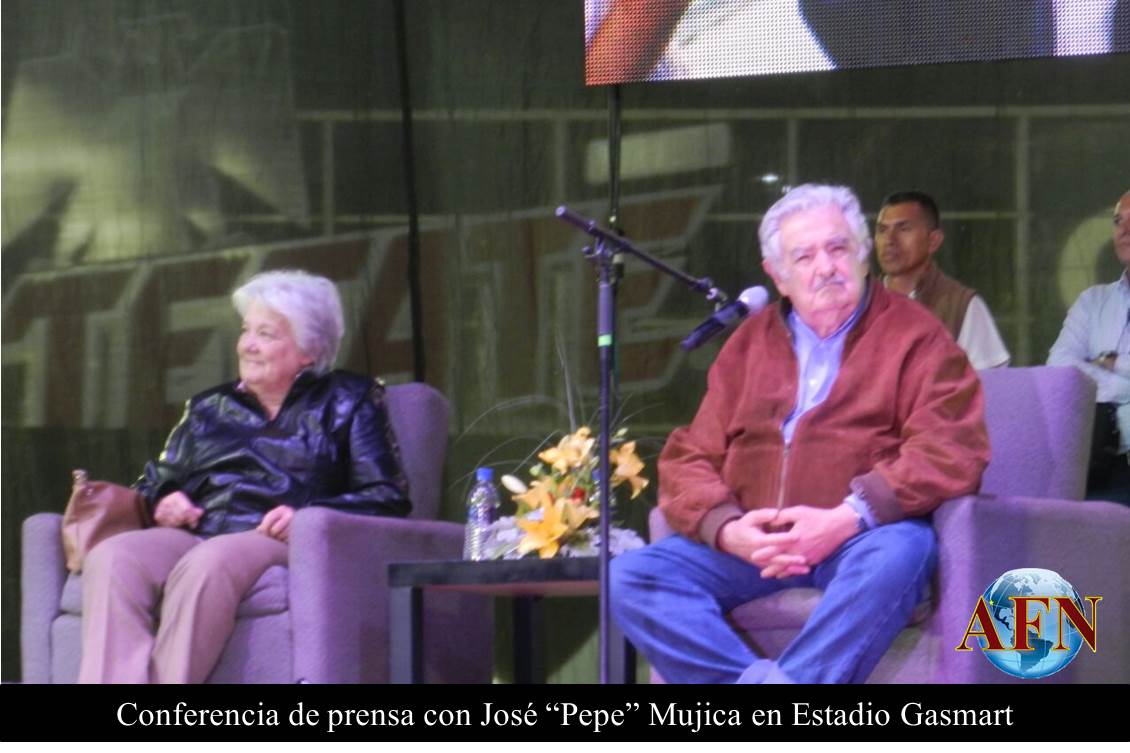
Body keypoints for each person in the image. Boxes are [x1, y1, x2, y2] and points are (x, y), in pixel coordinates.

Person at [610, 184, 989, 683]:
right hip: (755, 545)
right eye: (804, 256)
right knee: (632, 574)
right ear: (777, 275)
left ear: (862, 255)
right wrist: (727, 529)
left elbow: (952, 446)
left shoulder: (916, 334)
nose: (825, 267)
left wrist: (849, 516)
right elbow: (689, 455)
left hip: (857, 538)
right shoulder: (748, 343)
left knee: (902, 552)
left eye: (837, 248)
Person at [78, 269, 411, 683]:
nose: (247, 345)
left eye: (265, 334)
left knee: (208, 562)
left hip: (273, 537)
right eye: (245, 330)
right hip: (199, 531)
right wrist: (164, 498)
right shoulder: (208, 407)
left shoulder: (349, 399)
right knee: (113, 556)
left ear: (309, 351)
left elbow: (387, 494)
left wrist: (307, 515)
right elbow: (155, 479)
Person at [1047, 190, 1130, 505]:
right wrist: (1120, 388)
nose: (1124, 231)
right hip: (1096, 463)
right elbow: (1059, 364)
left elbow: (1078, 373)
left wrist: (1110, 362)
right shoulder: (1093, 301)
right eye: (1118, 221)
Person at [875, 190, 1011, 370]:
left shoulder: (961, 306)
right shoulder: (858, 306)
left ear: (934, 241)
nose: (889, 240)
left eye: (903, 229)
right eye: (882, 230)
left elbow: (990, 383)